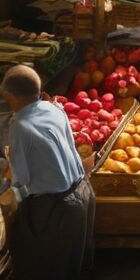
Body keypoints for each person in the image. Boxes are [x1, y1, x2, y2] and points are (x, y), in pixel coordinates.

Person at [3, 65, 95, 280]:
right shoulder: (53, 108)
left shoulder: (20, 126)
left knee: (44, 267)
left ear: (7, 95)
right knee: (78, 267)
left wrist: (8, 199)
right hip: (83, 193)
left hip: (57, 209)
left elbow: (22, 183)